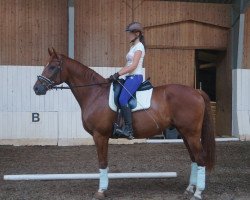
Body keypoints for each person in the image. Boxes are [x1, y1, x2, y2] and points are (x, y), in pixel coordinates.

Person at [108, 22, 145, 139]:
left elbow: (133, 66)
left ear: (137, 33)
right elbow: (127, 65)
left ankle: (129, 130)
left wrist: (118, 73)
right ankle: (119, 125)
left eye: (130, 33)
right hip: (129, 77)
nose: (128, 35)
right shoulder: (132, 47)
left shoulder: (139, 47)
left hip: (136, 77)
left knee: (123, 98)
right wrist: (117, 75)